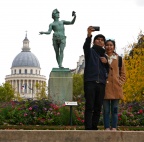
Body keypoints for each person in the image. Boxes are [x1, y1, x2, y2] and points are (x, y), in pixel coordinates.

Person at [83, 26, 109, 130]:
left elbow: (107, 70)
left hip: (101, 83)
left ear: (104, 43)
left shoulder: (104, 56)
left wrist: (106, 63)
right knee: (89, 106)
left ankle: (94, 126)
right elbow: (85, 46)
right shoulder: (90, 52)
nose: (100, 41)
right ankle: (88, 127)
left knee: (98, 107)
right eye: (98, 39)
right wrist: (89, 35)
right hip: (90, 82)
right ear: (94, 42)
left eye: (102, 40)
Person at [103, 39, 126, 131]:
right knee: (106, 110)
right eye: (107, 45)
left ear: (114, 47)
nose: (109, 47)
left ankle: (114, 127)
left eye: (111, 45)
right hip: (105, 88)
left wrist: (120, 82)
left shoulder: (119, 59)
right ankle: (107, 127)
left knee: (115, 110)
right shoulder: (102, 57)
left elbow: (123, 74)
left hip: (116, 88)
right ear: (105, 46)